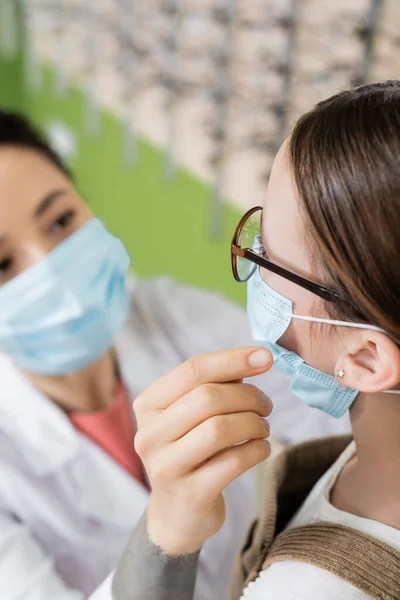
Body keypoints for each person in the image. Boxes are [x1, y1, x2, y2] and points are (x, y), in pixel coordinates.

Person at [0, 111, 348, 600]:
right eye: (2, 264)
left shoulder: (168, 315)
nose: (52, 271)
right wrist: (163, 539)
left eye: (61, 220)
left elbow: (332, 407)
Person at [112, 80, 400, 600]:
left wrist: (168, 538)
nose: (254, 260)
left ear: (364, 356)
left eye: (266, 255)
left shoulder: (308, 589)